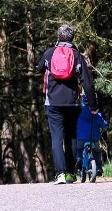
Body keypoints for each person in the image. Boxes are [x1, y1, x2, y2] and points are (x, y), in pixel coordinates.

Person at [36, 24, 98, 184]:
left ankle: (60, 174)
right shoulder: (77, 55)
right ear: (72, 38)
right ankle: (70, 173)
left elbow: (39, 68)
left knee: (57, 138)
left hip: (53, 103)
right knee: (71, 137)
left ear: (58, 36)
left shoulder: (50, 53)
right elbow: (88, 82)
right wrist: (93, 105)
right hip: (72, 103)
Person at [76, 94, 107, 177]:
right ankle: (99, 168)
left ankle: (78, 159)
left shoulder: (78, 113)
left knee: (78, 149)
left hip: (81, 138)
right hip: (94, 138)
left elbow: (75, 124)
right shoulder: (97, 114)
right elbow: (104, 125)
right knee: (97, 151)